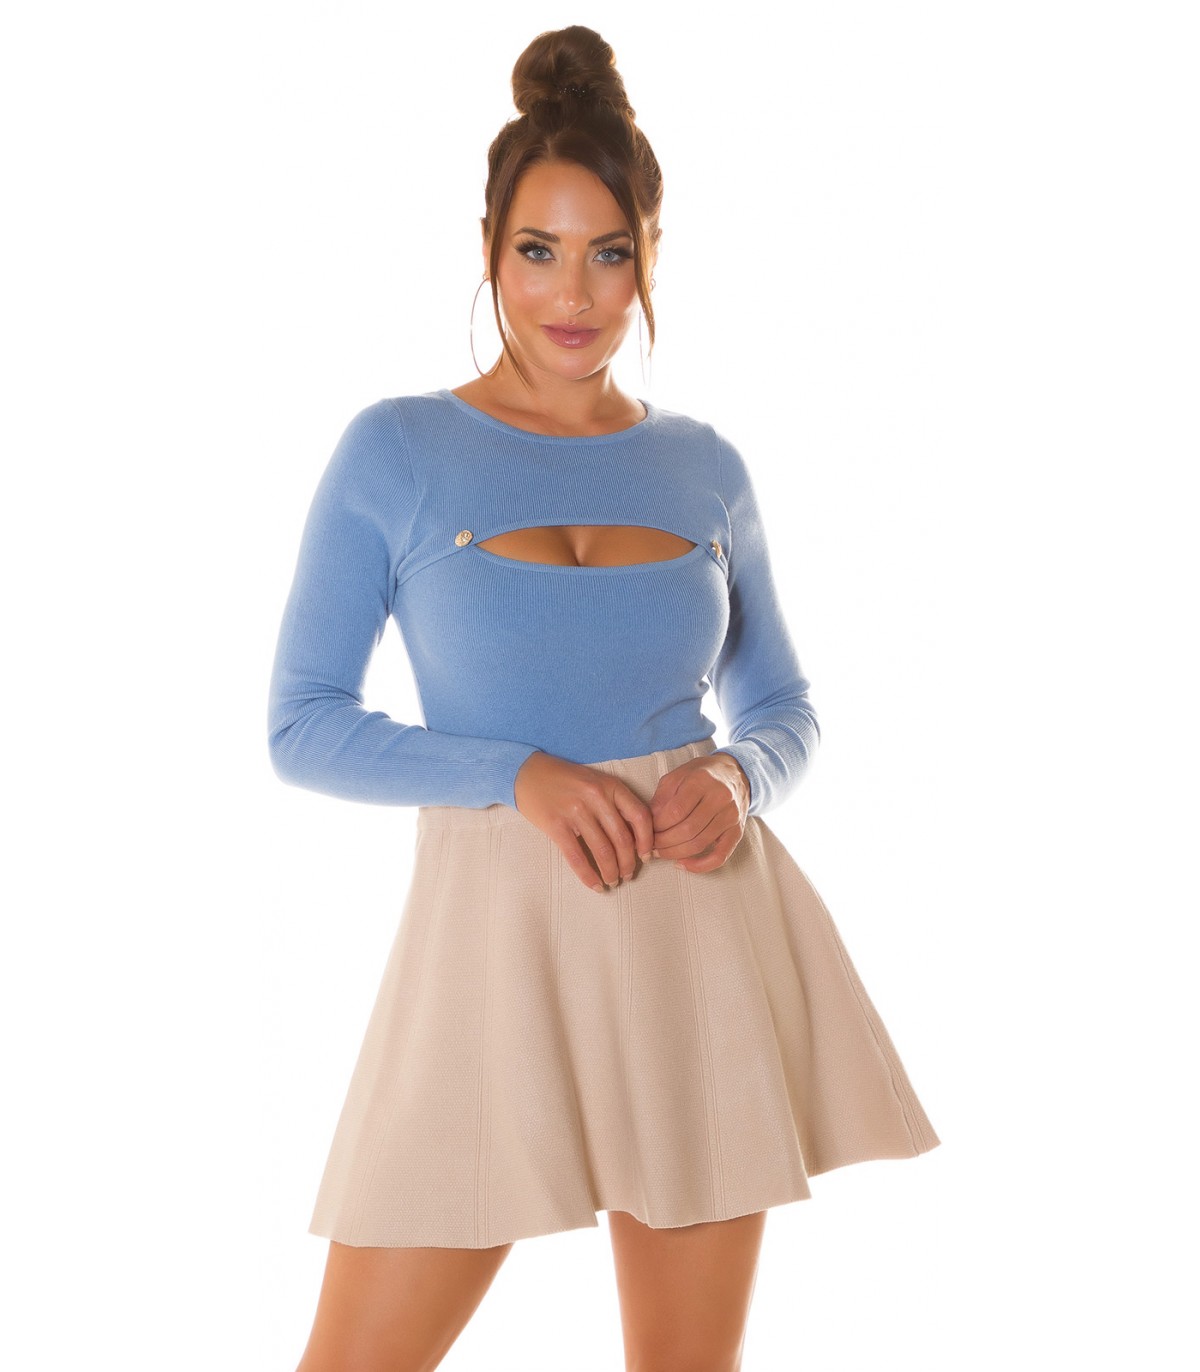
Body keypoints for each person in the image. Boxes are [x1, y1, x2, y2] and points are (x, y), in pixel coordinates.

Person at [267, 24, 940, 1372]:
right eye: (538, 249)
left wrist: (739, 777)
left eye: (608, 252)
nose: (571, 293)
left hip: (697, 929)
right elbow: (302, 723)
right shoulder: (397, 449)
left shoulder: (706, 467)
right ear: (487, 250)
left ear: (649, 259)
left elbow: (785, 703)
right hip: (490, 947)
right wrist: (516, 773)